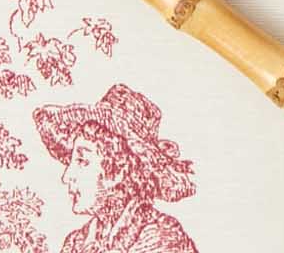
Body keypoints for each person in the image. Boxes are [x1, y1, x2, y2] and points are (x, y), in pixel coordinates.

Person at [35, 86, 197, 253]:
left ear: (119, 170)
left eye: (82, 161)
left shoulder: (162, 237)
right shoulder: (76, 243)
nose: (67, 176)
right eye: (71, 161)